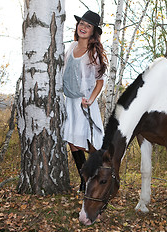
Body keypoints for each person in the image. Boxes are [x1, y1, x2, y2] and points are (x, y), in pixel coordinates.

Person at [62, 10, 107, 192]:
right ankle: (84, 179)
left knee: (90, 142)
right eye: (82, 23)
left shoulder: (93, 52)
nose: (83, 27)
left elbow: (100, 81)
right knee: (72, 141)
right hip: (69, 101)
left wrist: (90, 99)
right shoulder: (71, 46)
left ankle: (100, 174)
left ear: (93, 31)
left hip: (83, 102)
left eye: (88, 26)